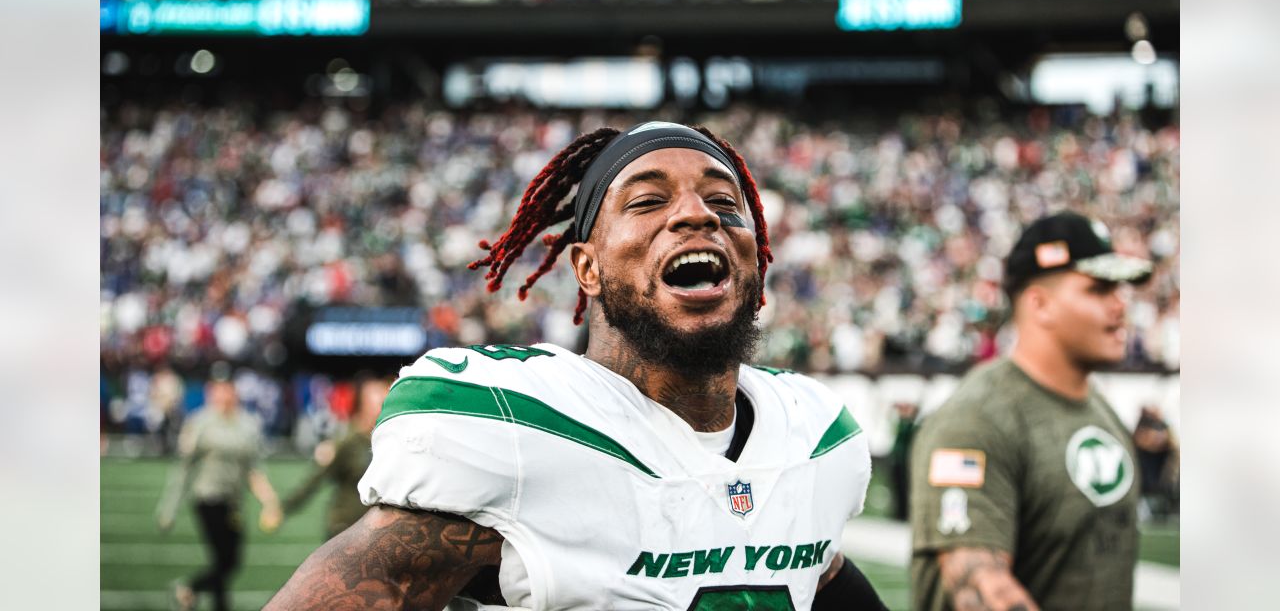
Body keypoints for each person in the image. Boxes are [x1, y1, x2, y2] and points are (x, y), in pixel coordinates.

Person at [266, 121, 887, 609]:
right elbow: (380, 584)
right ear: (587, 269)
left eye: (726, 203)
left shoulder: (813, 435)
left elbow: (813, 564)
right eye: (647, 201)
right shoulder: (517, 428)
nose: (699, 214)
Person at [909, 212, 1153, 611]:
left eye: (1122, 289)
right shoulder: (975, 418)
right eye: (1099, 289)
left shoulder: (1101, 411)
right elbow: (979, 586)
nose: (1120, 305)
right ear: (1040, 304)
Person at [157, 370, 283, 611]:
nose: (224, 394)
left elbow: (253, 470)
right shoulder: (199, 422)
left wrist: (269, 500)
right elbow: (184, 468)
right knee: (222, 560)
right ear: (210, 392)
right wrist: (168, 508)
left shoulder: (248, 424)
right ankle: (198, 592)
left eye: (227, 388)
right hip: (207, 498)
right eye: (218, 388)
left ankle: (189, 590)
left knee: (231, 562)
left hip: (233, 503)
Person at [281, 374, 392, 538]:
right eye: (377, 401)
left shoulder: (390, 442)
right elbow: (316, 478)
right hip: (347, 529)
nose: (381, 406)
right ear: (362, 404)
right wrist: (284, 508)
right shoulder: (347, 440)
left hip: (379, 530)